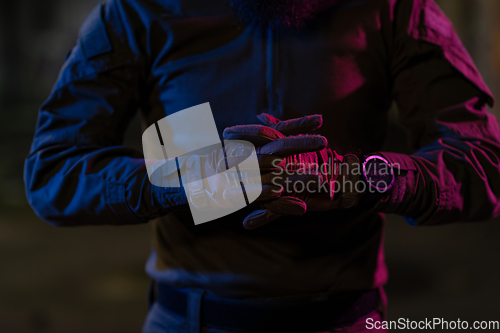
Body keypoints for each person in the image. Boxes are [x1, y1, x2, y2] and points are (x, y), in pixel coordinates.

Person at [24, 0, 500, 332]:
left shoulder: (393, 9)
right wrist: (182, 179)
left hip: (345, 319)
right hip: (190, 322)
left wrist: (360, 176)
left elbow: (483, 165)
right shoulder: (138, 12)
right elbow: (52, 171)